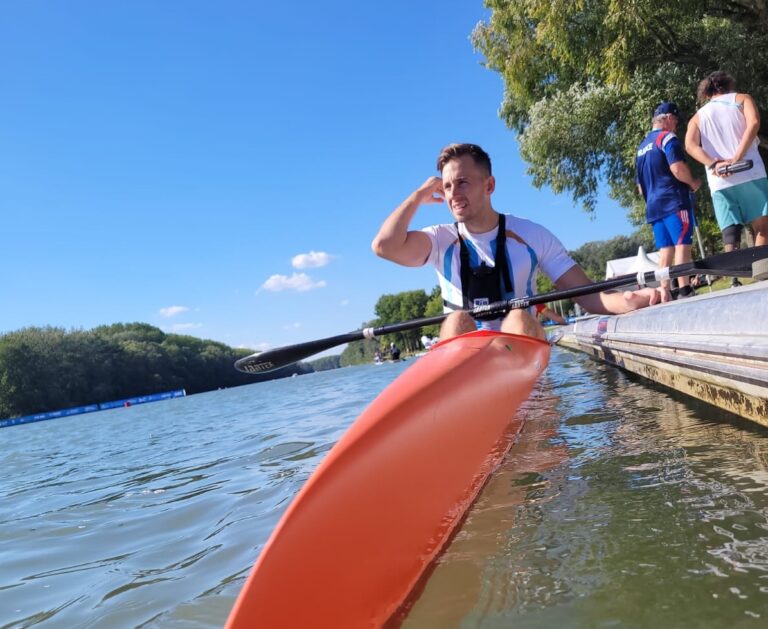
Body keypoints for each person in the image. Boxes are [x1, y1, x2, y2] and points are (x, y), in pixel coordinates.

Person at [371, 143, 668, 342]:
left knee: (517, 319)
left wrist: (627, 300)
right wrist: (416, 197)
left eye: (462, 182)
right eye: (447, 186)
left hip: (521, 347)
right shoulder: (439, 240)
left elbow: (587, 296)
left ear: (489, 185)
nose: (452, 193)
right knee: (457, 321)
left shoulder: (531, 235)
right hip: (465, 356)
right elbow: (384, 246)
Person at [684, 71, 768, 262]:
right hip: (750, 171)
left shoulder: (698, 117)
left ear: (706, 94)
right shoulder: (742, 99)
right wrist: (738, 155)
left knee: (730, 230)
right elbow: (754, 123)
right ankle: (760, 267)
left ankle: (735, 277)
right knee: (762, 225)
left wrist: (714, 163)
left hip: (719, 180)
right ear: (729, 85)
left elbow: (689, 145)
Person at [635, 102, 701, 299]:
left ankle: (664, 290)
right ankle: (685, 289)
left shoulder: (641, 148)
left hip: (653, 206)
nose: (676, 126)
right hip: (673, 200)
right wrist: (692, 182)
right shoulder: (667, 138)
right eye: (676, 121)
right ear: (668, 118)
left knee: (666, 249)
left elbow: (640, 188)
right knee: (682, 243)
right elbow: (677, 168)